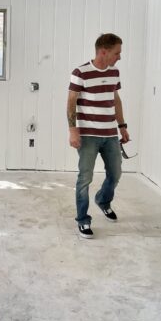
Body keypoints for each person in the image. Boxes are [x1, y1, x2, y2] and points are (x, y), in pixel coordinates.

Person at [67, 33, 130, 238]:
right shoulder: (81, 72)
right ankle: (83, 220)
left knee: (116, 173)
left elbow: (116, 100)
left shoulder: (114, 72)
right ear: (103, 51)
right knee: (85, 178)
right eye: (116, 52)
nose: (119, 57)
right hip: (88, 136)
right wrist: (73, 130)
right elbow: (71, 102)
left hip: (110, 134)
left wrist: (122, 126)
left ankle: (103, 200)